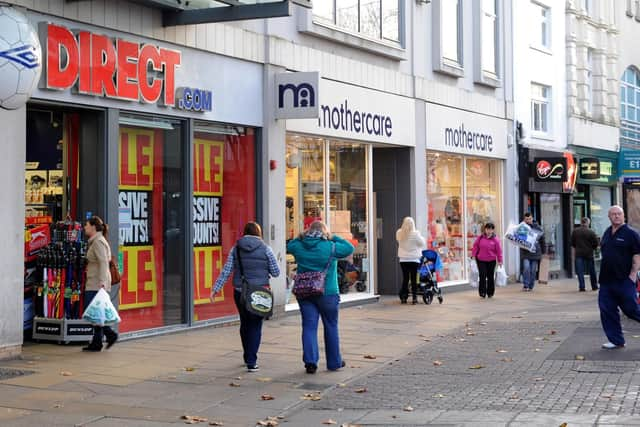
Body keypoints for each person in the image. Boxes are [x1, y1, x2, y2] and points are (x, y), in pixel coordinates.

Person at [210, 222, 280, 372]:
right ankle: (251, 361)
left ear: (244, 233)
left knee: (245, 323)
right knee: (256, 325)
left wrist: (215, 289)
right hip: (259, 292)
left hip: (240, 291)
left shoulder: (236, 249)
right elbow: (276, 272)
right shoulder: (266, 249)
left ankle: (247, 355)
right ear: (258, 233)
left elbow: (226, 271)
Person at [287, 221, 354, 374]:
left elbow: (290, 244)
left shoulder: (299, 245)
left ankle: (310, 362)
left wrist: (302, 235)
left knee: (309, 326)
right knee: (331, 326)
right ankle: (334, 362)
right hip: (328, 292)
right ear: (324, 232)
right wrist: (332, 236)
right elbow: (349, 248)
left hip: (305, 292)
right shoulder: (330, 246)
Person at [597, 206, 640, 349]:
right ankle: (616, 341)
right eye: (613, 214)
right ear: (609, 217)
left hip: (624, 280)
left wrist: (632, 276)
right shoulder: (607, 233)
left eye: (619, 214)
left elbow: (637, 255)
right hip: (606, 281)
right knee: (607, 310)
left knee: (631, 309)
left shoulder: (631, 234)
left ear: (624, 216)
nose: (616, 216)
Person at [82, 216, 118, 352]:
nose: (85, 227)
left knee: (93, 312)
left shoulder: (98, 242)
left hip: (97, 283)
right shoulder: (95, 241)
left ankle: (110, 334)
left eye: (86, 225)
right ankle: (97, 342)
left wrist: (102, 282)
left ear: (93, 227)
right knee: (96, 312)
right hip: (95, 281)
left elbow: (103, 262)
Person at [396, 217, 426, 304]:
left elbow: (399, 241)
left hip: (403, 259)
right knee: (413, 279)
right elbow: (422, 243)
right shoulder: (416, 234)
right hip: (414, 259)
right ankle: (414, 298)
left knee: (405, 279)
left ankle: (404, 298)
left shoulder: (399, 233)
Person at [471, 222, 503, 299]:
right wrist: (473, 255)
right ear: (485, 229)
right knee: (482, 275)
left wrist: (500, 261)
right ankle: (482, 292)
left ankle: (490, 292)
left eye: (491, 229)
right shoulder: (480, 238)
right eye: (487, 229)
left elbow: (499, 251)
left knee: (490, 276)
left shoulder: (496, 240)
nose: (489, 231)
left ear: (493, 230)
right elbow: (475, 247)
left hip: (491, 261)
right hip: (481, 260)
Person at [570, 217, 599, 292]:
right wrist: (592, 248)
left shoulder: (575, 231)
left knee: (580, 271)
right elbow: (596, 243)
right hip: (589, 253)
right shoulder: (591, 232)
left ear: (581, 222)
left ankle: (582, 287)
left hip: (579, 253)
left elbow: (572, 243)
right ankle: (594, 286)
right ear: (588, 223)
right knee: (592, 271)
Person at [520, 212, 546, 291]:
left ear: (532, 218)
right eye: (526, 219)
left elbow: (542, 240)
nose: (528, 220)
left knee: (533, 270)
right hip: (526, 252)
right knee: (526, 268)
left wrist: (544, 252)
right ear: (524, 219)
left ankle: (531, 285)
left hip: (535, 252)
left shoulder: (537, 227)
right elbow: (519, 238)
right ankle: (526, 285)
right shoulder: (522, 227)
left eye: (529, 219)